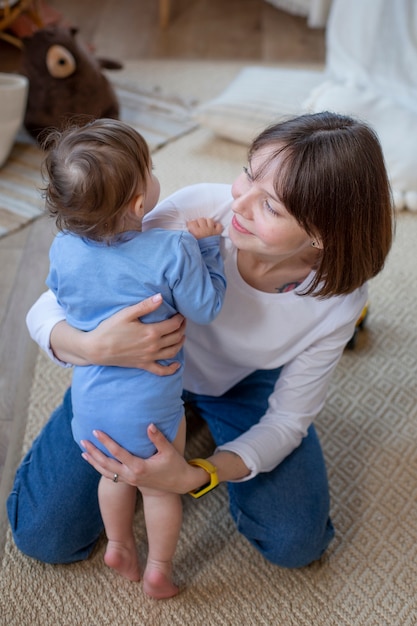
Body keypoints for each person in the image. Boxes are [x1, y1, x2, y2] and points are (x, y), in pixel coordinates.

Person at [8, 111, 394, 573]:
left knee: (297, 543)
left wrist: (199, 473)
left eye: (270, 206)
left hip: (242, 383)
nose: (239, 203)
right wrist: (95, 349)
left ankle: (200, 421)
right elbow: (48, 306)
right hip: (128, 370)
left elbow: (289, 421)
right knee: (44, 536)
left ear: (322, 233)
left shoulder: (338, 300)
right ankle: (178, 413)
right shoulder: (193, 212)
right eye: (248, 173)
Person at [38, 118, 226, 598]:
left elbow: (60, 299)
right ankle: (159, 567)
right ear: (140, 204)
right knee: (159, 486)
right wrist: (209, 250)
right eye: (151, 168)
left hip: (91, 408)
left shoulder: (63, 250)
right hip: (150, 414)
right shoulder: (173, 248)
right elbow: (205, 308)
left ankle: (120, 542)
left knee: (112, 475)